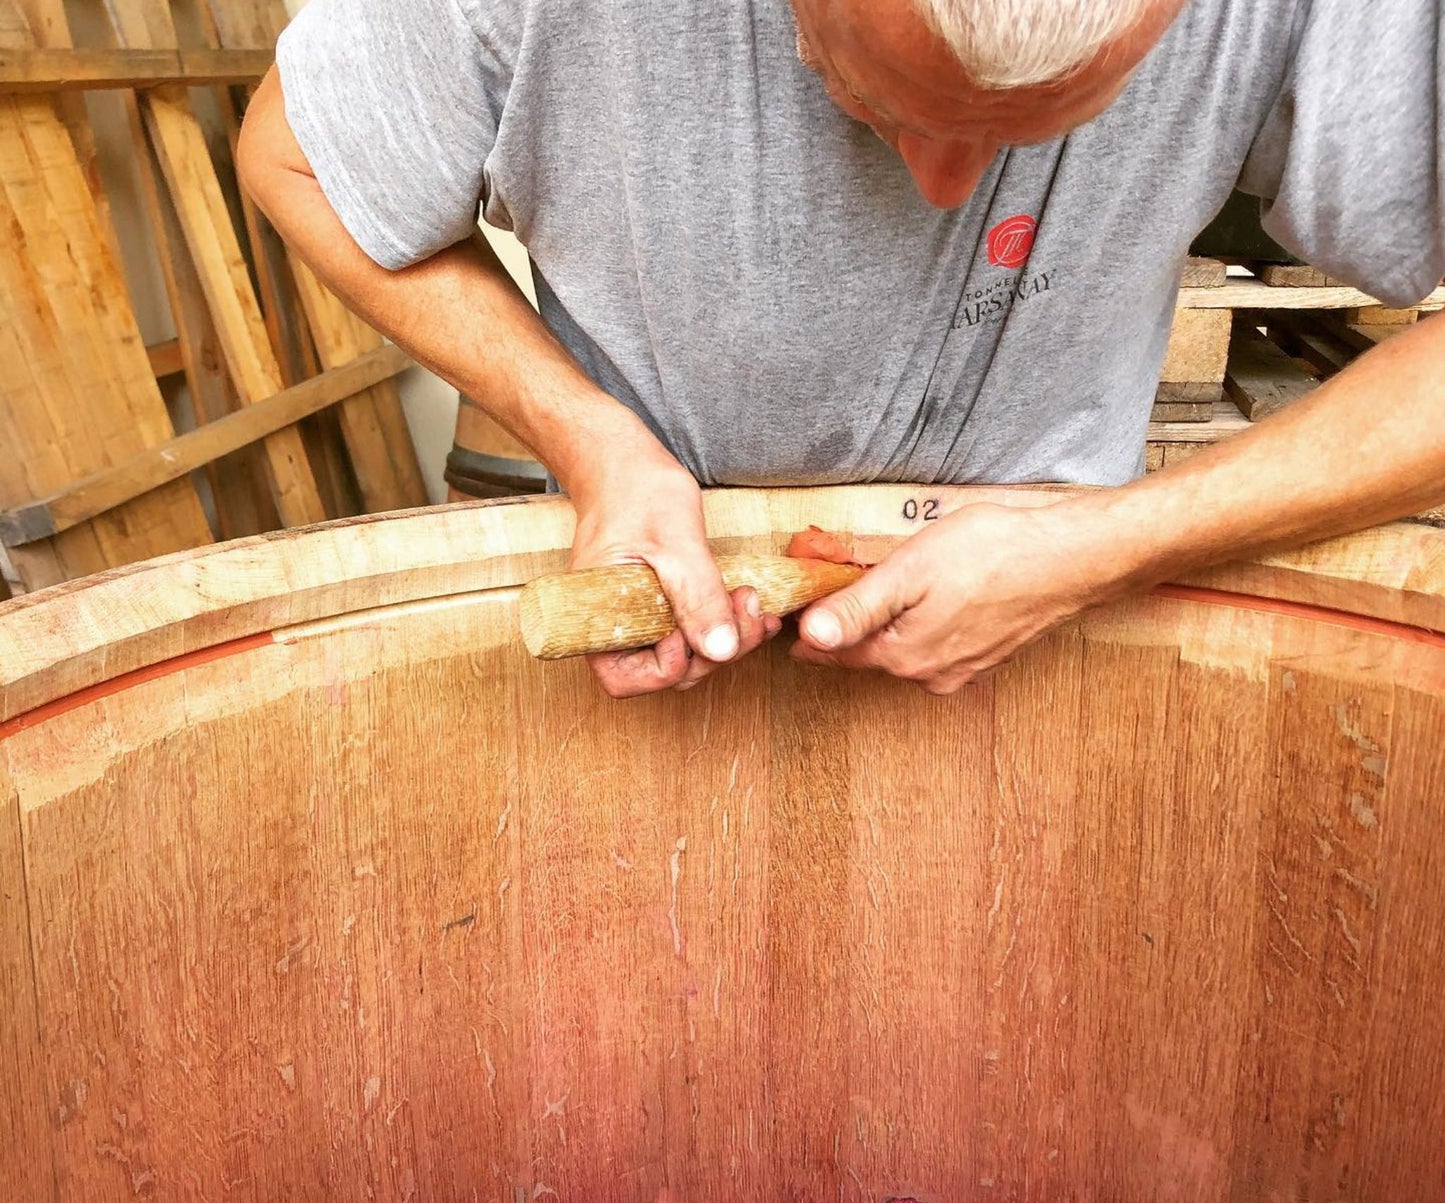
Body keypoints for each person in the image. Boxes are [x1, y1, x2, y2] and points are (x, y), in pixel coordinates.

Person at [238, 0, 1445, 698]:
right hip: (657, 621)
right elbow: (293, 158)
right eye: (867, 102)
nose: (941, 193)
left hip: (1055, 638)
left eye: (1040, 129)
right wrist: (590, 436)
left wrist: (1108, 544)